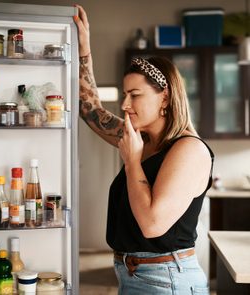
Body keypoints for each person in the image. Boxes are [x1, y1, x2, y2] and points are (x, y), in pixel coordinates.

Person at [74, 5, 214, 295]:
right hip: (133, 275)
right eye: (125, 94)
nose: (125, 104)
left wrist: (132, 162)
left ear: (165, 98)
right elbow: (89, 109)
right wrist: (84, 50)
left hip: (166, 279)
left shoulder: (189, 149)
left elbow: (152, 225)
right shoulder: (141, 139)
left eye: (134, 95)